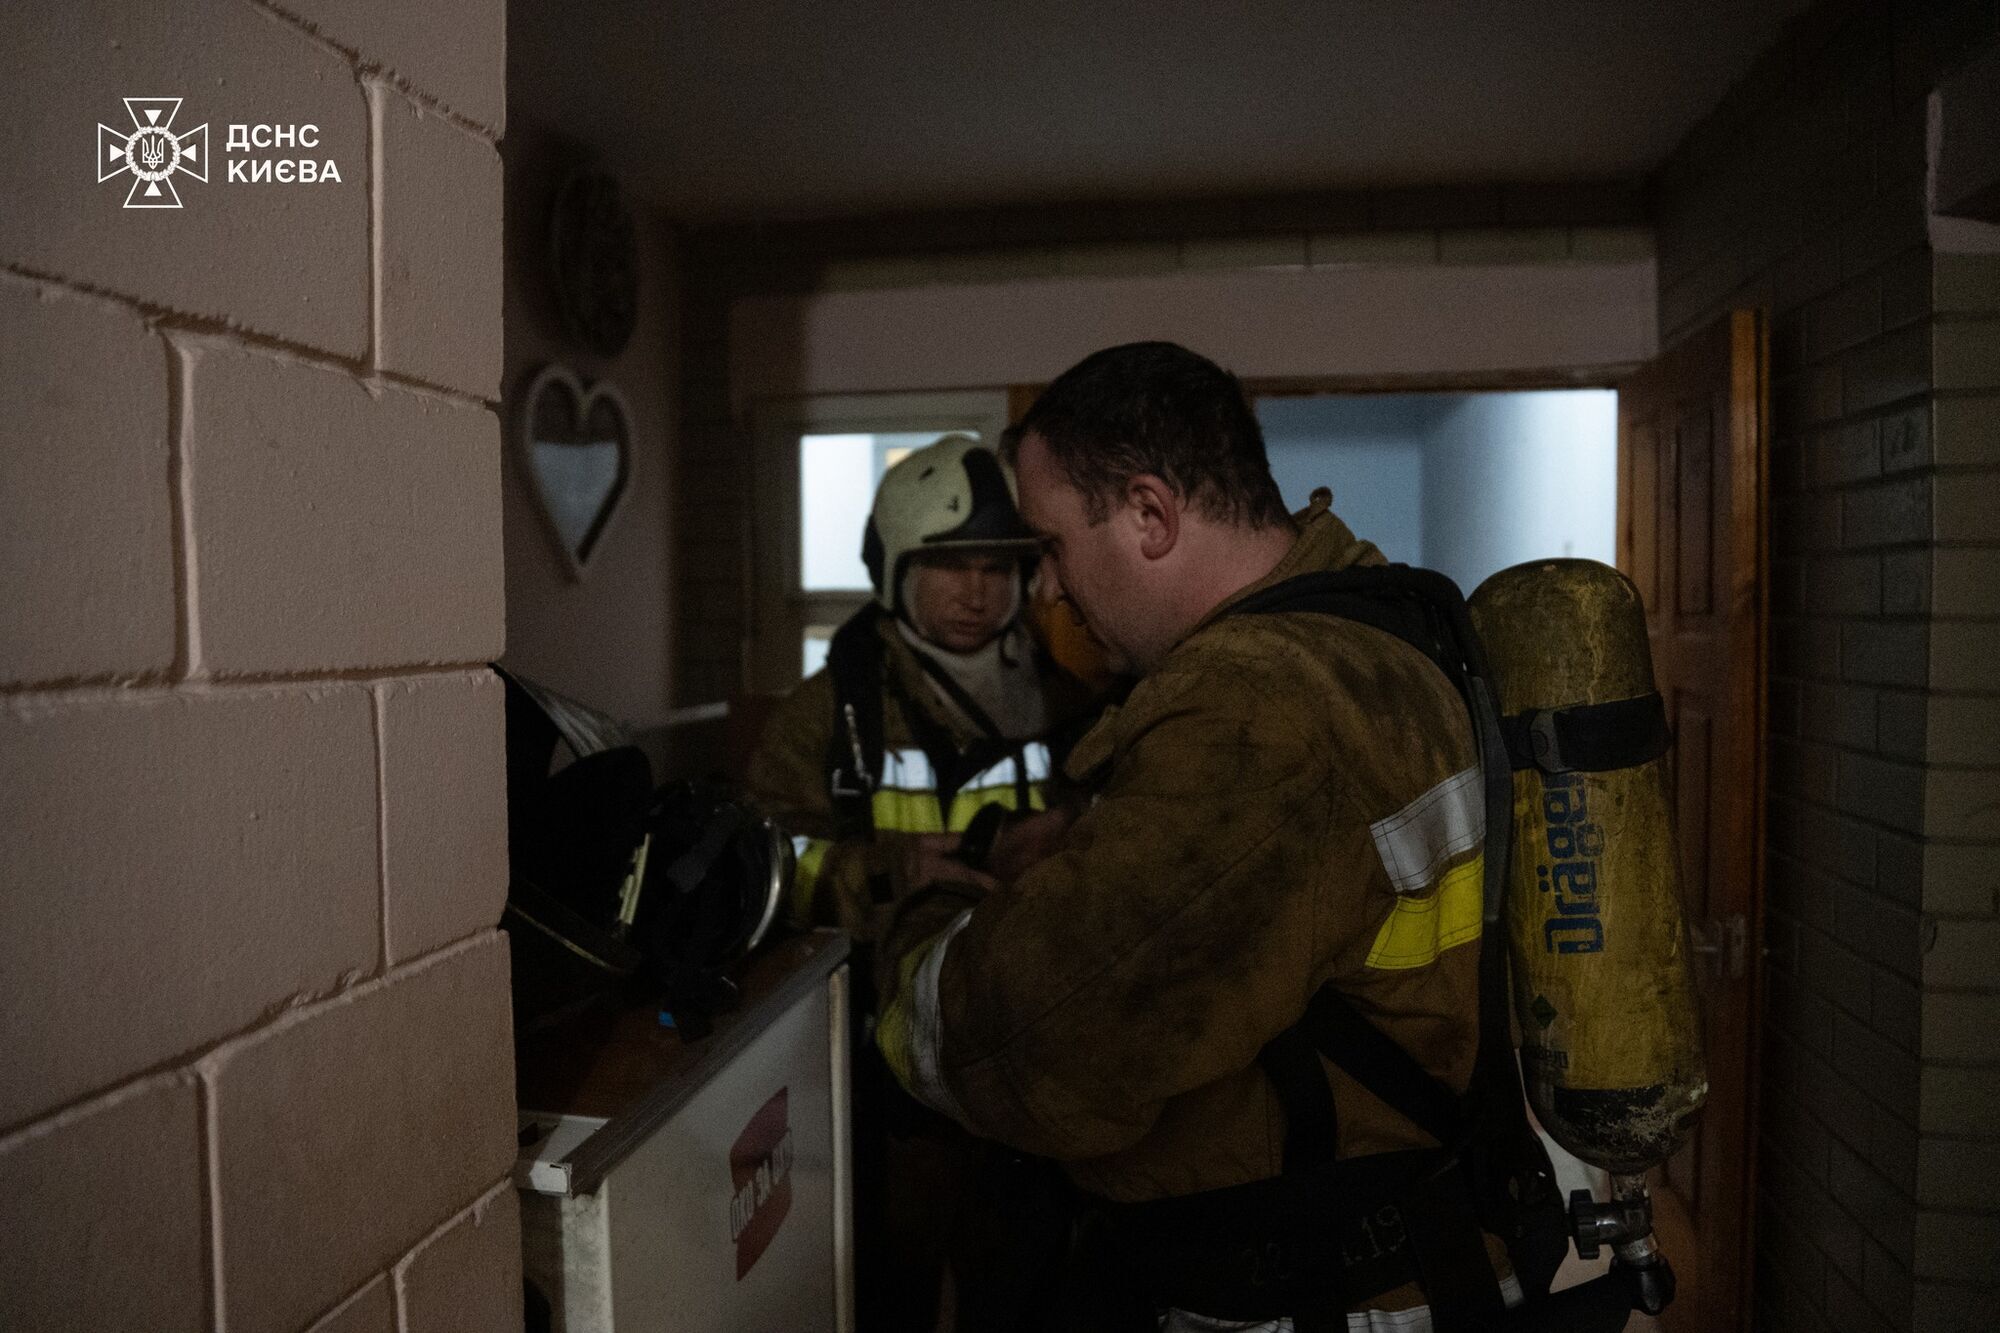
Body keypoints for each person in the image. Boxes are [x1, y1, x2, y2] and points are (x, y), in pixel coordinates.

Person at [874, 343, 1522, 1331]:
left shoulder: (1258, 712)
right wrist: (1093, 838)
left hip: (1316, 1294)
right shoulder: (1369, 627)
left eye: (1049, 545)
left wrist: (920, 936)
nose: (1042, 589)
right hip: (1418, 1256)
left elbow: (1046, 1041)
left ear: (1148, 514)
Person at [748, 431, 1093, 1331]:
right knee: (882, 1283)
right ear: (897, 570)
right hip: (879, 1070)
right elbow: (763, 863)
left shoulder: (1064, 704)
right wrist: (888, 871)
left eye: (996, 566)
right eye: (948, 565)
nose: (977, 593)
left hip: (1023, 1056)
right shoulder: (830, 714)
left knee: (1020, 1280)